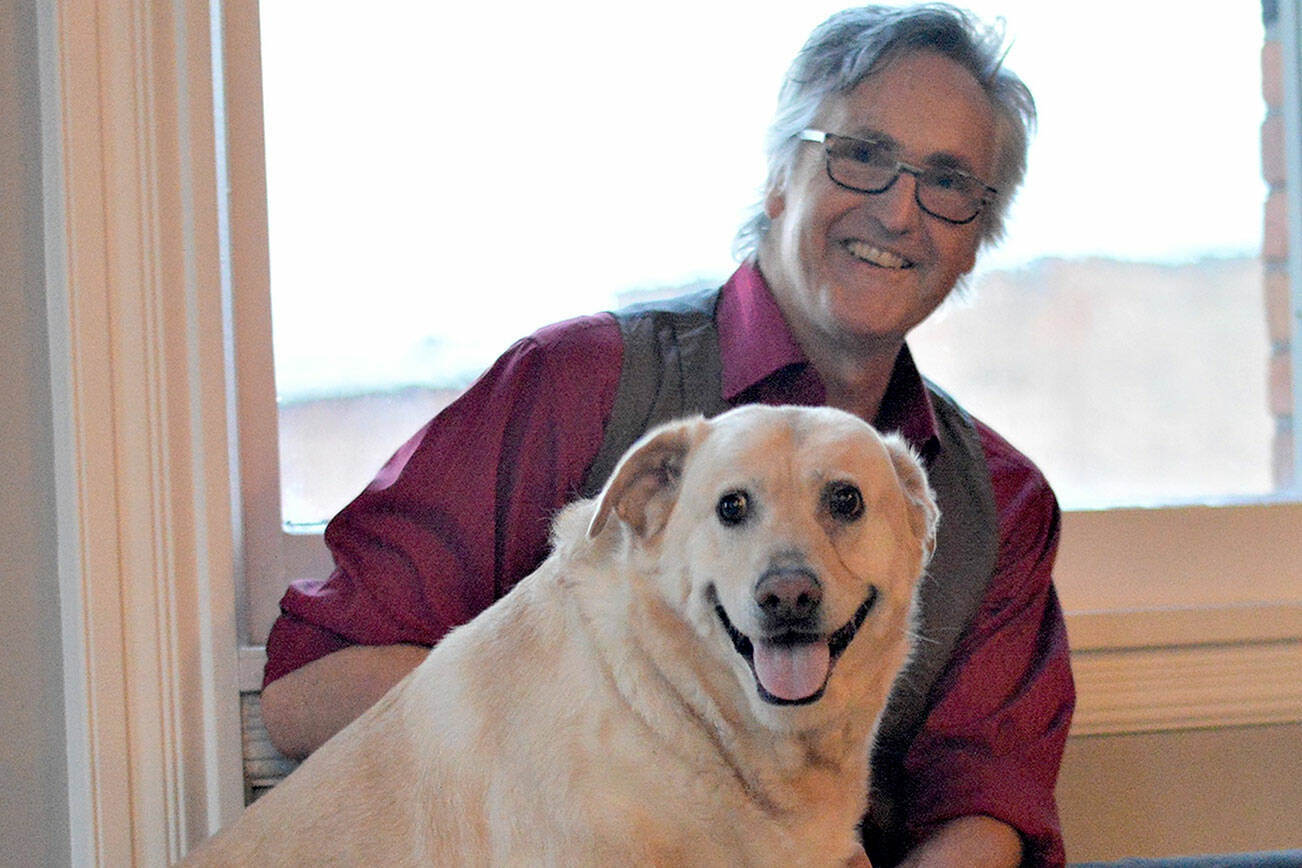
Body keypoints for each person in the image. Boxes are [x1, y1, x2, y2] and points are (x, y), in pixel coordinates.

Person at [260, 4, 1075, 866]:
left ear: (978, 238)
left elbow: (986, 811)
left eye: (946, 182)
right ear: (777, 177)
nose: (900, 212)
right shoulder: (578, 385)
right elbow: (308, 688)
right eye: (862, 154)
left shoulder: (1002, 503)